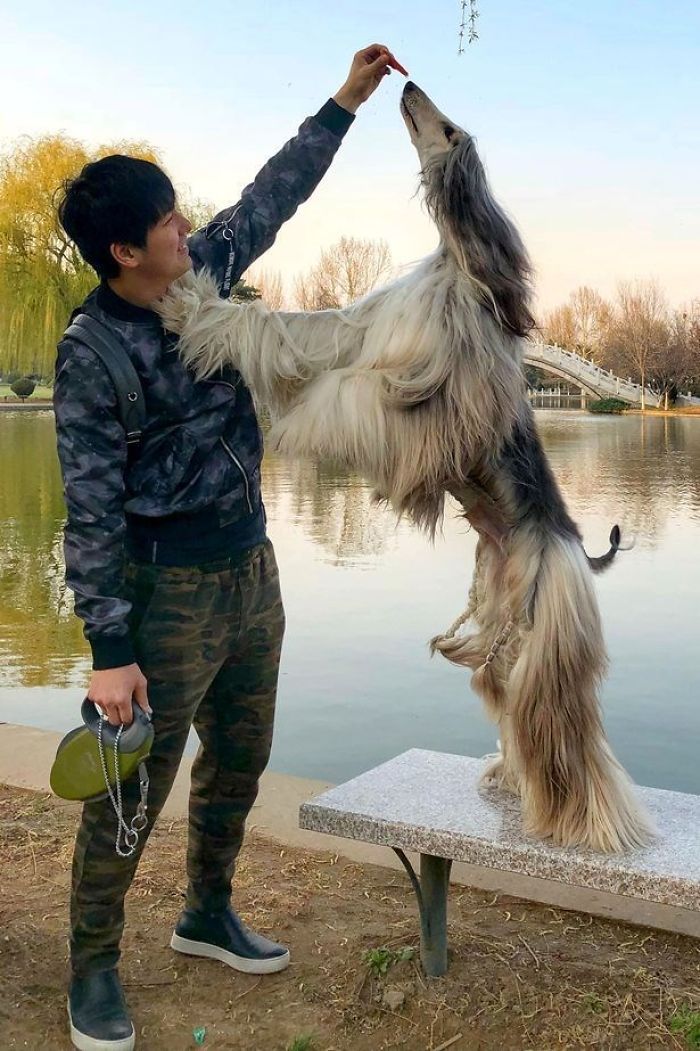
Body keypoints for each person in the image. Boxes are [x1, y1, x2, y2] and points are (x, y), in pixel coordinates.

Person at [54, 44, 398, 1051]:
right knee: (132, 790)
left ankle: (207, 910)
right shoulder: (93, 355)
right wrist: (110, 650)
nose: (186, 226)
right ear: (124, 250)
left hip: (252, 570)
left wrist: (345, 101)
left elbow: (274, 192)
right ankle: (93, 967)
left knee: (242, 757)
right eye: (165, 219)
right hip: (165, 596)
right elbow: (89, 512)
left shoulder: (202, 272)